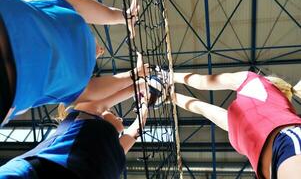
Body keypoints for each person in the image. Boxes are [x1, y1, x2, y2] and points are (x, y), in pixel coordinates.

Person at [0, 0, 139, 125]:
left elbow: (80, 6)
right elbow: (79, 6)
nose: (101, 51)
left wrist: (122, 17)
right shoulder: (46, 6)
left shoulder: (44, 5)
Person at [0, 67, 150, 179]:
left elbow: (103, 108)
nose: (120, 118)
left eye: (113, 112)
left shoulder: (86, 125)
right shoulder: (81, 120)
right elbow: (136, 130)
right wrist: (143, 96)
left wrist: (141, 89)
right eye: (113, 112)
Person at [172, 71, 301, 179]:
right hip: (278, 156)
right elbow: (201, 106)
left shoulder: (255, 81)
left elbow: (203, 82)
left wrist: (171, 77)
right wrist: (169, 96)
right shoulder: (237, 125)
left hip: (284, 145)